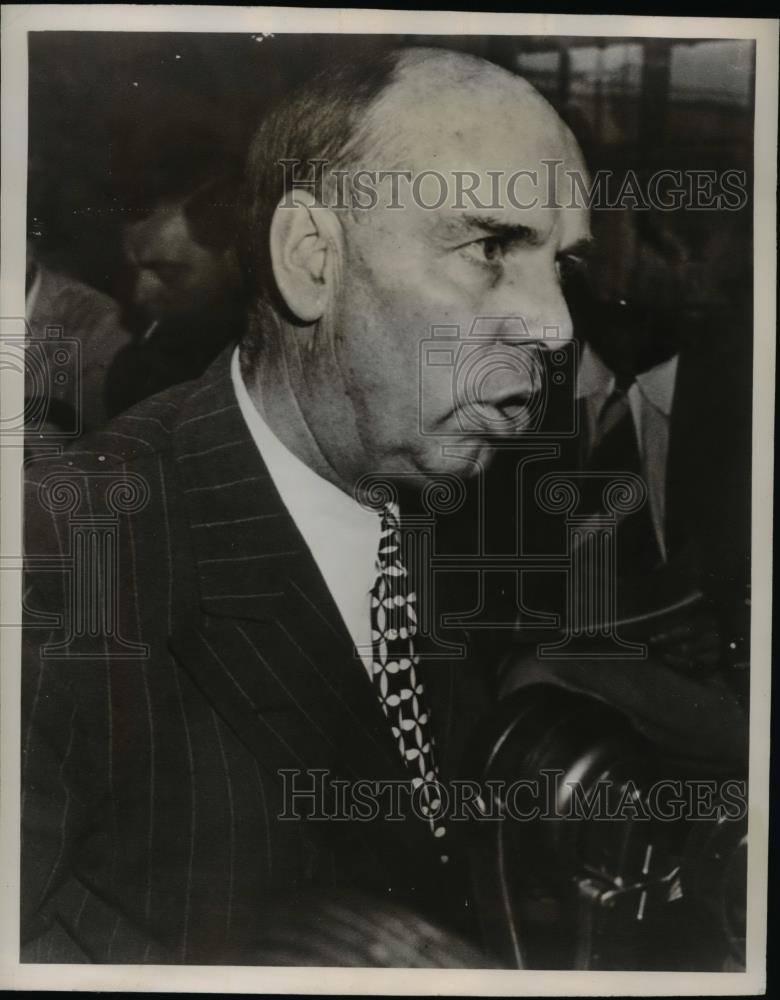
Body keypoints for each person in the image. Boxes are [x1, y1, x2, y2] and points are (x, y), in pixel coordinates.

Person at [21, 46, 590, 964]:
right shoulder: (59, 564)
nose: (556, 325)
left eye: (562, 265)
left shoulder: (446, 506)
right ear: (311, 259)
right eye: (490, 247)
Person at [104, 176, 246, 416]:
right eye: (133, 272)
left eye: (167, 273)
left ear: (234, 261)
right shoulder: (135, 368)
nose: (139, 295)